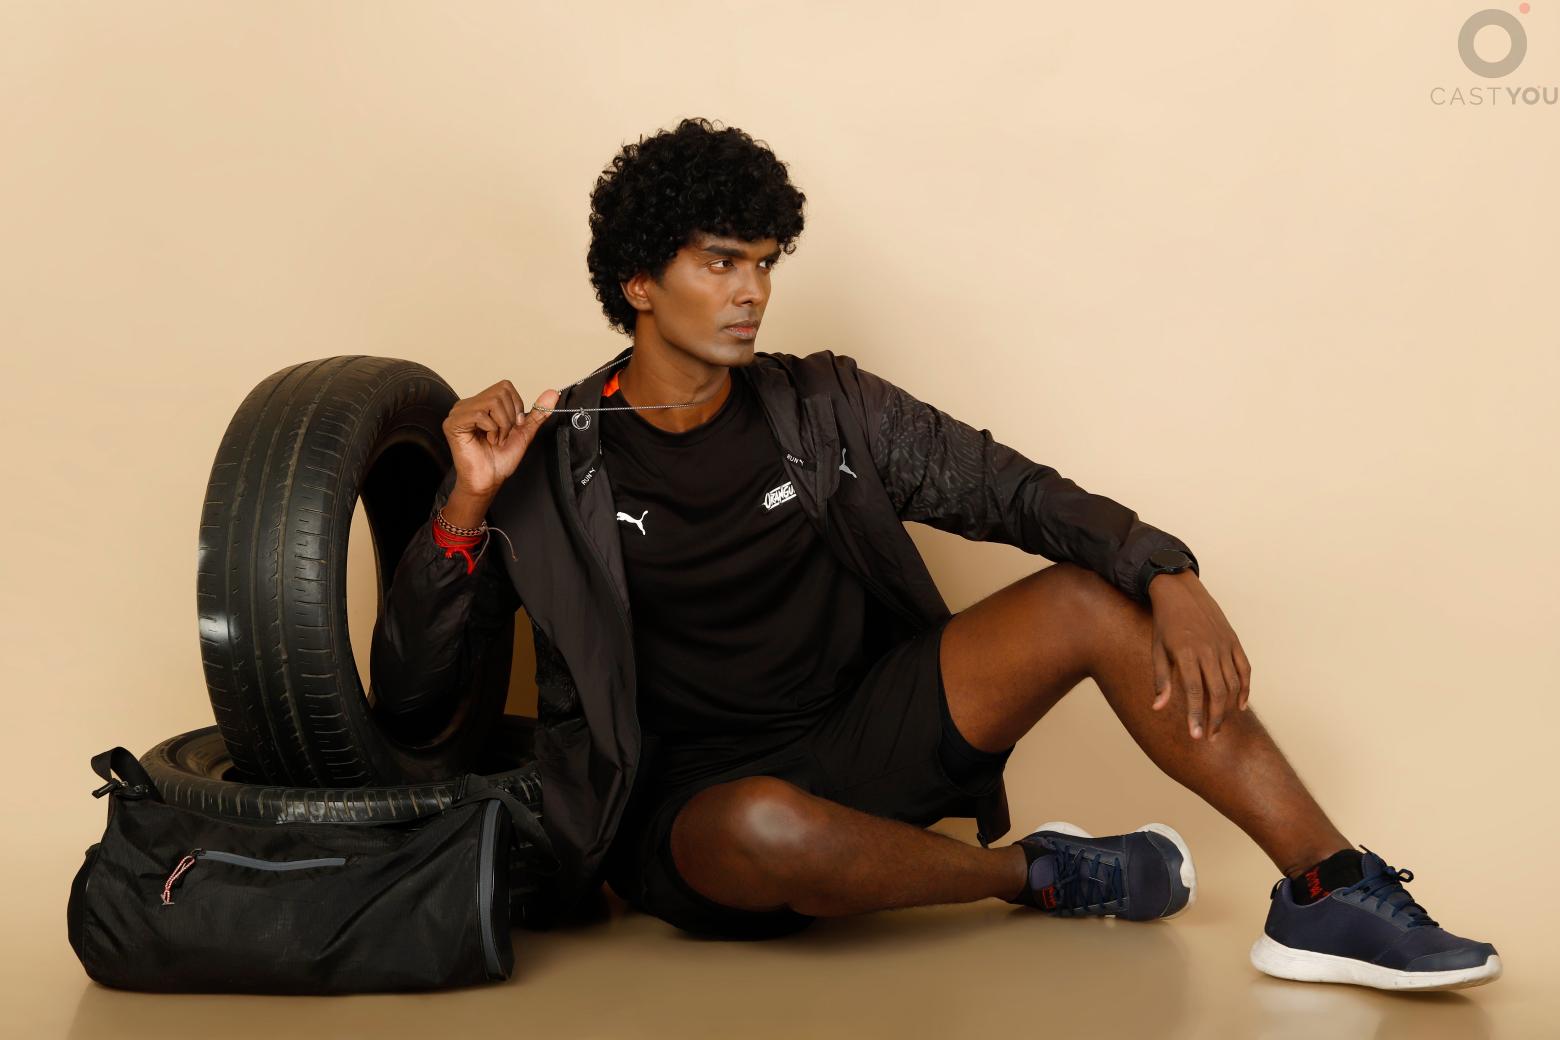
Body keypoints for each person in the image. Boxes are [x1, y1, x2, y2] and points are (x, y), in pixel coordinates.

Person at [371, 117, 1501, 991]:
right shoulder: (550, 462)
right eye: (719, 263)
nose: (752, 291)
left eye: (764, 262)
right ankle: (1038, 871)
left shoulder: (827, 407)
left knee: (1086, 595)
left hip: (860, 735)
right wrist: (466, 504)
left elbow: (1011, 490)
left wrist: (1168, 570)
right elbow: (416, 694)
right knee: (766, 823)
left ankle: (1326, 889)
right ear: (637, 282)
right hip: (688, 812)